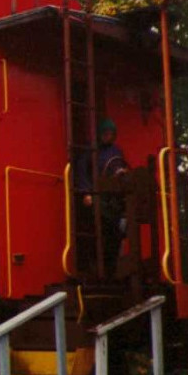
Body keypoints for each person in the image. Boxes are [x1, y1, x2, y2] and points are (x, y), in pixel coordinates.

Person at [75, 118, 129, 279]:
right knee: (103, 225)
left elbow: (119, 168)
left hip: (112, 198)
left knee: (120, 226)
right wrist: (86, 193)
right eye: (105, 133)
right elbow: (82, 171)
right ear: (100, 134)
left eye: (111, 134)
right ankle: (98, 265)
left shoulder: (116, 152)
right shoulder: (91, 151)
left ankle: (113, 264)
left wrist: (121, 173)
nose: (108, 136)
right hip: (96, 196)